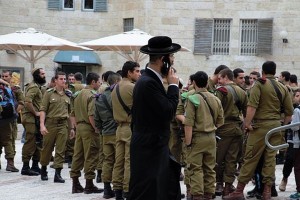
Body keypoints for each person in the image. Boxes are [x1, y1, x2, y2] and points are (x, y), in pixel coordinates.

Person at [224, 61, 294, 200]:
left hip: (259, 127)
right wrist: (281, 127)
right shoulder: (283, 87)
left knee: (250, 158)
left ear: (263, 72)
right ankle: (267, 192)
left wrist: (246, 124)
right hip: (276, 127)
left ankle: (238, 191)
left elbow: (251, 107)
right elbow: (289, 113)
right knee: (270, 160)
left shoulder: (259, 85)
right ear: (274, 72)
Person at [129, 36, 182, 200]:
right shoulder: (148, 82)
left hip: (153, 145)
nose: (173, 61)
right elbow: (168, 112)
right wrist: (173, 86)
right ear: (163, 59)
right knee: (147, 191)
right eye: (171, 57)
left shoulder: (151, 80)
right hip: (149, 147)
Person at [184, 71, 224, 200]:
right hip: (211, 137)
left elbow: (188, 124)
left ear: (194, 82)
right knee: (209, 168)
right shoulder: (216, 98)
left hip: (196, 138)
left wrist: (188, 143)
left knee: (195, 169)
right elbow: (220, 121)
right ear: (207, 82)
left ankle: (197, 196)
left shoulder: (192, 99)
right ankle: (208, 195)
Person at [214, 68, 248, 197]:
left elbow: (216, 110)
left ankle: (219, 184)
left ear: (225, 77)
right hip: (237, 129)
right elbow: (246, 113)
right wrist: (244, 127)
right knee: (232, 159)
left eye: (220, 78)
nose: (219, 81)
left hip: (223, 129)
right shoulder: (242, 92)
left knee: (219, 158)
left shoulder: (221, 91)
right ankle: (228, 188)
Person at [69, 72, 103, 194]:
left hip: (80, 127)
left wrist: (75, 126)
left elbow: (72, 113)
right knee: (91, 154)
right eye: (98, 81)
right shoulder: (92, 95)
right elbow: (91, 114)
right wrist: (96, 128)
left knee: (78, 154)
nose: (100, 84)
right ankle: (89, 184)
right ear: (93, 82)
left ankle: (75, 183)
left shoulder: (78, 94)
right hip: (89, 127)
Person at [111, 61, 141, 199]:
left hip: (119, 128)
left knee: (119, 161)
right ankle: (127, 190)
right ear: (129, 72)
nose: (139, 74)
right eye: (137, 71)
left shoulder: (115, 87)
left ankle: (117, 189)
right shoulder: (133, 88)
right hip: (130, 127)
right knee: (130, 161)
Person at [39, 71, 73, 183]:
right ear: (55, 81)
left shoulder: (68, 95)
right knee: (47, 148)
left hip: (63, 124)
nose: (64, 81)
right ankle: (43, 169)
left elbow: (70, 113)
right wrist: (42, 125)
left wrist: (71, 128)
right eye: (61, 79)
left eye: (65, 79)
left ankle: (57, 174)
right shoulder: (49, 93)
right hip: (50, 124)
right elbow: (43, 110)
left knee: (61, 149)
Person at [94, 72, 122, 199]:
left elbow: (96, 119)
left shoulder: (99, 98)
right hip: (117, 132)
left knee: (107, 161)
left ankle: (106, 189)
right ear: (117, 81)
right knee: (119, 162)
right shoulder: (117, 95)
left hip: (105, 133)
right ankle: (118, 189)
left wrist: (101, 130)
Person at [21, 67, 46, 176]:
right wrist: (35, 112)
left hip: (35, 119)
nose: (44, 75)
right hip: (30, 118)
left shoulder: (38, 87)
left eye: (44, 73)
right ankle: (25, 167)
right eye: (42, 74)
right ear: (36, 75)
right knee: (30, 141)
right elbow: (27, 101)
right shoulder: (34, 87)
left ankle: (35, 165)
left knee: (38, 141)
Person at [1, 70, 24, 172]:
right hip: (7, 119)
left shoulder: (14, 89)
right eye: (3, 76)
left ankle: (10, 163)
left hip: (9, 119)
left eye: (6, 76)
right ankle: (10, 163)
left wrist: (14, 113)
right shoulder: (6, 89)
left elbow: (21, 102)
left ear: (10, 77)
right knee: (8, 141)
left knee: (10, 140)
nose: (5, 78)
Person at [288, 89, 300, 199]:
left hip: (298, 143)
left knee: (298, 167)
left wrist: (291, 121)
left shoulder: (297, 110)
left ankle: (299, 191)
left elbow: (295, 126)